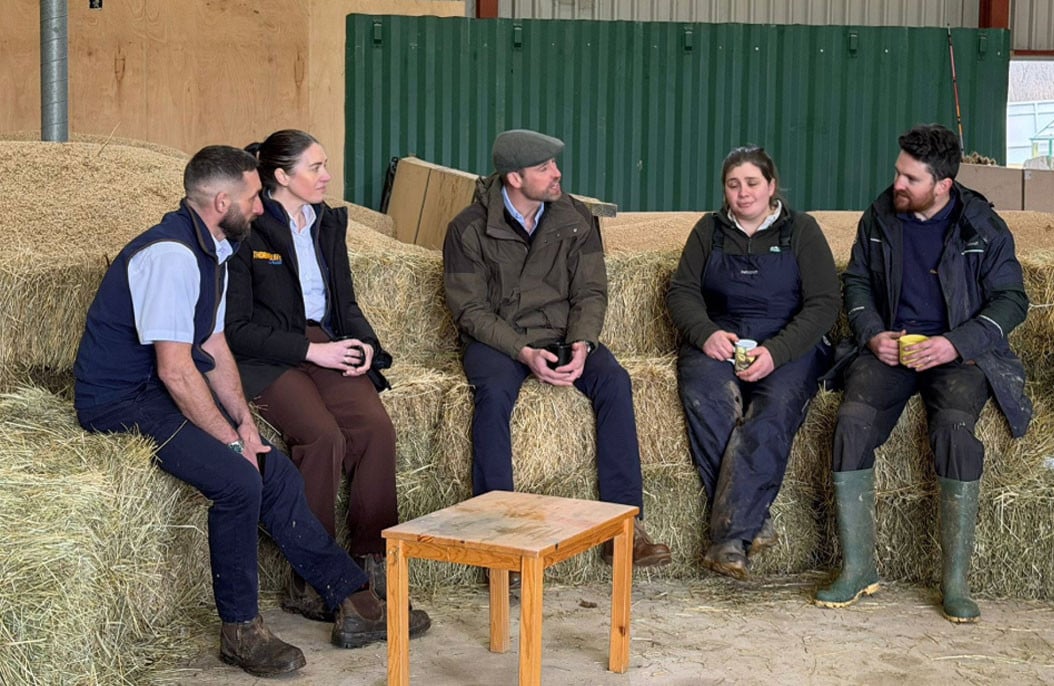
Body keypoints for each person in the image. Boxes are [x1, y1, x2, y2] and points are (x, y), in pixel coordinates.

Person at [73, 146, 390, 677]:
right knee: (239, 482)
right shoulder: (172, 255)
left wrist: (244, 423)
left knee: (275, 469)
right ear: (223, 201)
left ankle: (342, 592)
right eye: (252, 197)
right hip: (120, 400)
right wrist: (228, 443)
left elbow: (214, 344)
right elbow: (176, 370)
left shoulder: (215, 248)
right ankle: (240, 630)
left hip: (159, 389)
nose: (261, 207)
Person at [814, 124, 1033, 623]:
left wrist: (954, 343)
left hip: (959, 353)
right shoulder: (879, 217)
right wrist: (872, 334)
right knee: (850, 422)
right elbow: (858, 283)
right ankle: (857, 569)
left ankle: (955, 583)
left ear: (943, 185)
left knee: (954, 431)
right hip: (892, 348)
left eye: (910, 178)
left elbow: (1012, 300)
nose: (898, 184)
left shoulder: (982, 226)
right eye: (898, 172)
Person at [224, 129, 428, 635]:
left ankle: (370, 566)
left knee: (376, 431)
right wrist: (313, 350)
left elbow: (346, 303)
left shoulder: (327, 223)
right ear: (280, 177)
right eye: (315, 167)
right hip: (267, 355)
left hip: (325, 343)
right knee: (323, 437)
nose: (327, 176)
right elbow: (236, 330)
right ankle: (310, 580)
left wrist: (366, 350)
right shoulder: (247, 227)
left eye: (325, 165)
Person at [443, 128, 671, 568]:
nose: (557, 174)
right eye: (544, 168)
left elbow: (591, 290)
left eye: (554, 165)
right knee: (491, 397)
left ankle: (624, 528)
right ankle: (498, 536)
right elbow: (469, 310)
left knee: (616, 383)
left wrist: (583, 342)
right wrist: (522, 352)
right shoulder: (467, 228)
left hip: (563, 332)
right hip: (500, 338)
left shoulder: (576, 217)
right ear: (514, 178)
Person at [666, 146, 840, 580]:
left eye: (752, 183)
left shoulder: (801, 231)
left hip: (790, 343)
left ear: (772, 186)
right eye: (733, 184)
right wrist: (706, 334)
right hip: (721, 339)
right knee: (709, 401)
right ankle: (752, 522)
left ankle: (728, 537)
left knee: (773, 409)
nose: (742, 193)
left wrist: (777, 352)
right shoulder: (708, 231)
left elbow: (823, 305)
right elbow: (682, 293)